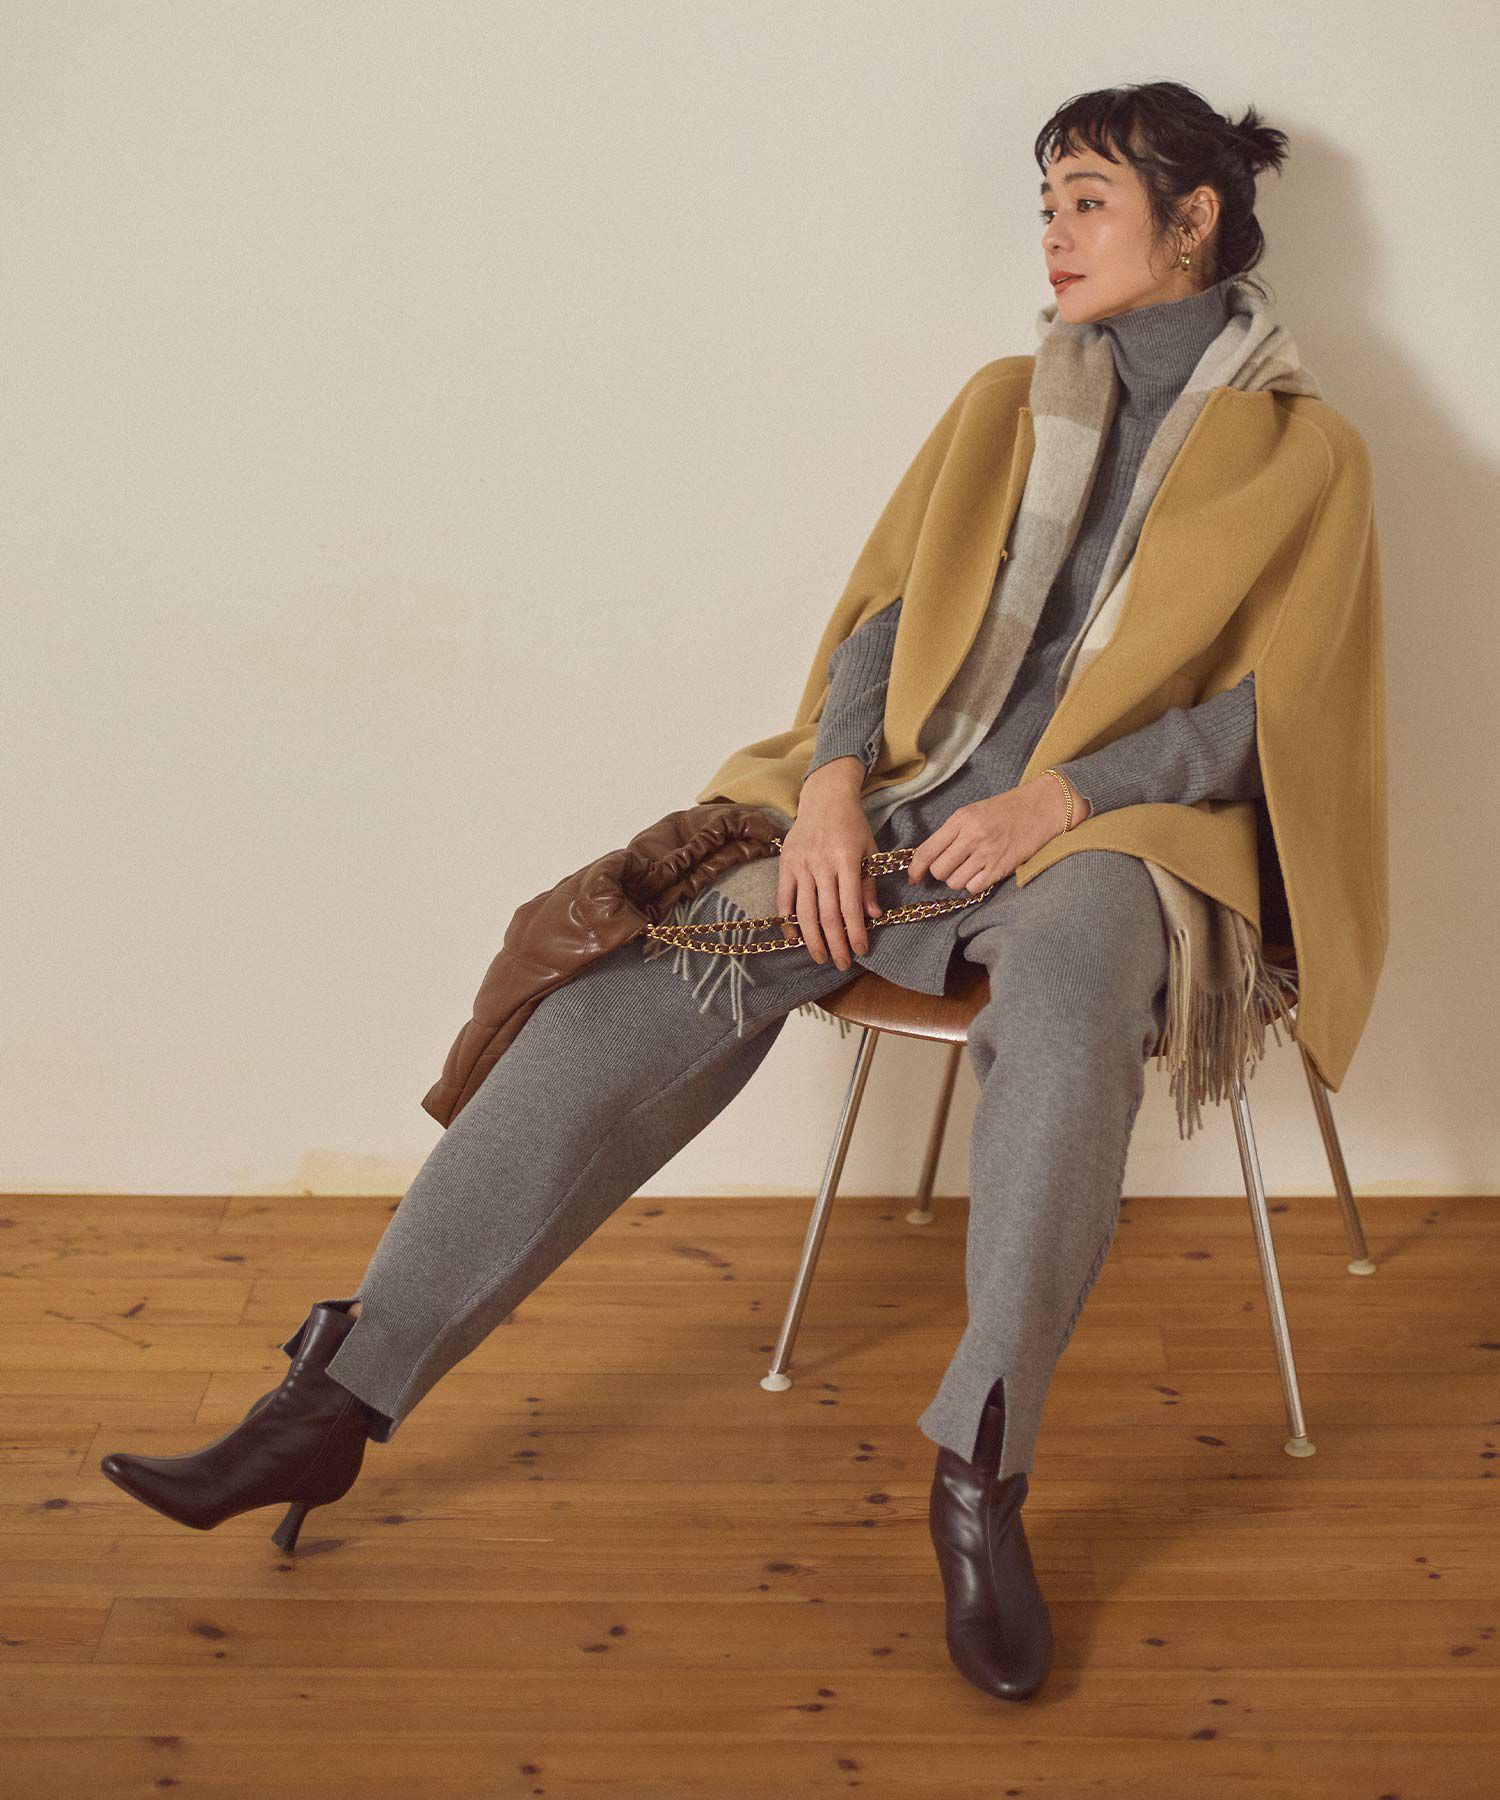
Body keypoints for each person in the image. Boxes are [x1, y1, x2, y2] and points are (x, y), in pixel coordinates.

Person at [101, 81, 1317, 1705]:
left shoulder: (1309, 454)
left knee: (1075, 995)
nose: (1051, 230)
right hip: (902, 799)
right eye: (1045, 201)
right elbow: (887, 618)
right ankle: (331, 1402)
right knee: (646, 977)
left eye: (1087, 197)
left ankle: (983, 1472)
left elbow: (1281, 709)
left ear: (1196, 217)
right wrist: (832, 792)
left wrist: (1063, 796)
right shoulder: (1004, 399)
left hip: (1107, 835)